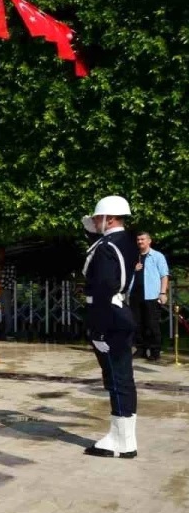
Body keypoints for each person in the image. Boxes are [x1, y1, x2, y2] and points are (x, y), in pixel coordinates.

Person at [81, 195, 140, 458]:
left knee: (116, 378)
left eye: (98, 218)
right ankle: (124, 437)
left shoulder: (106, 247)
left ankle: (122, 442)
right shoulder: (126, 241)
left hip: (108, 315)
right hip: (120, 312)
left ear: (111, 218)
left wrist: (99, 329)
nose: (94, 222)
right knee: (123, 377)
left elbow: (104, 286)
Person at [130, 231, 169, 362]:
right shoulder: (134, 257)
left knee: (152, 325)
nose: (140, 242)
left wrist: (162, 293)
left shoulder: (157, 256)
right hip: (135, 295)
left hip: (151, 295)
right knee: (137, 324)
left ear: (149, 241)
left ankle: (155, 351)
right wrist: (133, 269)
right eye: (138, 240)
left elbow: (164, 275)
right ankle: (140, 348)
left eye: (142, 239)